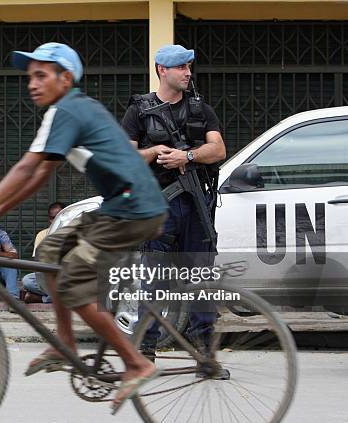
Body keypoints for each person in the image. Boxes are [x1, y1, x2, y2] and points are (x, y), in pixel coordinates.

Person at [0, 42, 168, 413]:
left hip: (135, 209)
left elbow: (24, 168)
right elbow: (41, 173)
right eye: (30, 76)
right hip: (117, 206)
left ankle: (136, 361)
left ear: (65, 79)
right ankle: (64, 344)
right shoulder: (63, 112)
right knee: (50, 250)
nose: (32, 83)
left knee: (72, 281)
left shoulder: (69, 110)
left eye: (41, 75)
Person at [120, 44, 228, 378]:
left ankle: (205, 358)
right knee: (156, 282)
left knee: (201, 281)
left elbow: (218, 149)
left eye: (189, 67)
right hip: (159, 207)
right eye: (181, 67)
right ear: (161, 70)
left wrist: (188, 157)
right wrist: (153, 152)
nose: (188, 72)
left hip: (196, 207)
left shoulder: (201, 110)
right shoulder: (139, 111)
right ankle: (145, 353)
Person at [22, 202, 66, 303]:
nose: (55, 221)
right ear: (49, 219)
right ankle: (62, 297)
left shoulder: (73, 232)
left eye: (58, 217)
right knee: (27, 281)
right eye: (52, 218)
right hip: (49, 274)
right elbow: (38, 263)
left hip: (67, 275)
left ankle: (42, 298)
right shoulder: (42, 235)